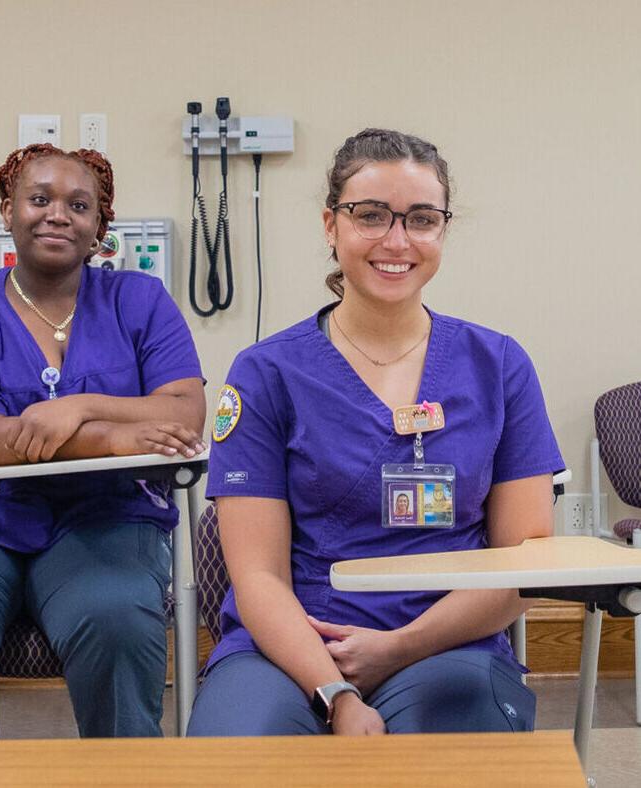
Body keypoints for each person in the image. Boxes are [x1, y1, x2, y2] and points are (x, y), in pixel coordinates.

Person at [188, 128, 564, 737]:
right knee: (238, 752)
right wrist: (335, 691)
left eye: (420, 218)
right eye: (370, 216)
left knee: (452, 754)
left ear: (442, 230)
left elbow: (523, 563)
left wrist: (399, 646)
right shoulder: (266, 373)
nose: (396, 240)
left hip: (449, 641)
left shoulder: (497, 365)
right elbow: (256, 576)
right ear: (330, 225)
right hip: (291, 642)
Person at [0, 143, 206, 738]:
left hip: (107, 516)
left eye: (78, 205)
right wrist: (115, 439)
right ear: (8, 212)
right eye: (39, 199)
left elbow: (185, 416)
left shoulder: (140, 302)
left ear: (99, 227)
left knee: (117, 623)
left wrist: (75, 408)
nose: (58, 214)